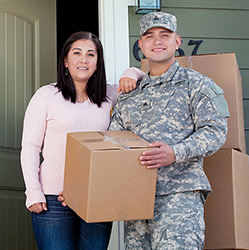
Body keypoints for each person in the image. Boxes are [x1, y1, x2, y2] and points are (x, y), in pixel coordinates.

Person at [109, 12, 229, 249]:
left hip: (180, 198)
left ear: (177, 41)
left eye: (165, 35)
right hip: (135, 200)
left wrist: (175, 152)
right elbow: (114, 142)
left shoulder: (198, 84)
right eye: (150, 36)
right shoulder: (128, 96)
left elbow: (215, 130)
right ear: (141, 45)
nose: (157, 41)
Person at [20, 31, 143, 250]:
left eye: (91, 54)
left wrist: (130, 72)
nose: (84, 59)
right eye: (77, 53)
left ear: (97, 63)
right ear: (66, 61)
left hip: (97, 195)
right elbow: (30, 147)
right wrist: (33, 191)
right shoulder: (46, 96)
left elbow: (145, 78)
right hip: (52, 199)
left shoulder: (109, 95)